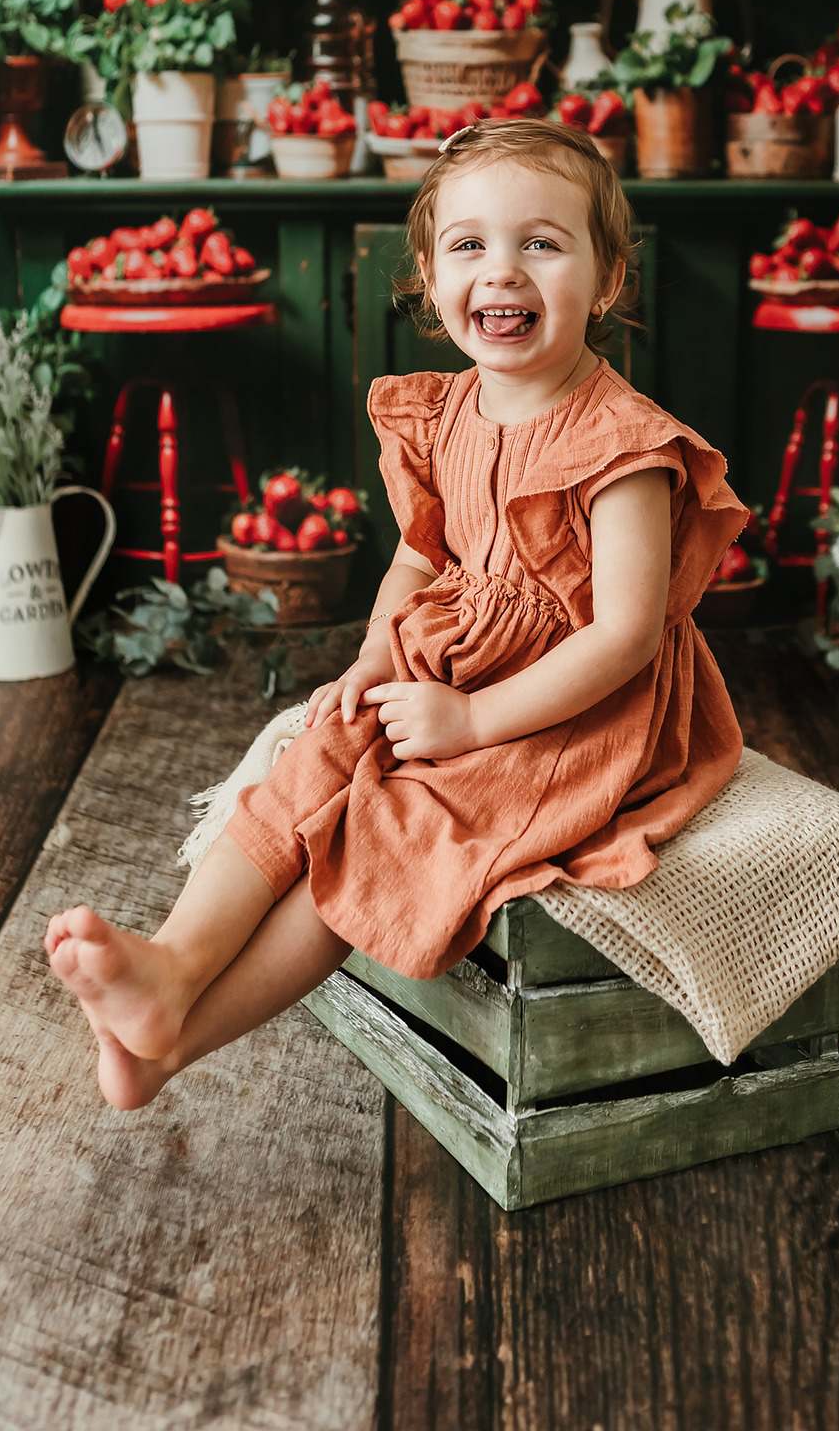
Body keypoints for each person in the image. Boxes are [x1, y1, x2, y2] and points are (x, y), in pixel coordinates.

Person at [45, 117, 750, 1109]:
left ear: (609, 279)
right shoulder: (449, 410)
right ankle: (170, 969)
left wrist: (472, 722)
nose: (502, 272)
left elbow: (626, 635)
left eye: (541, 243)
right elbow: (421, 555)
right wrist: (380, 648)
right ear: (428, 273)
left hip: (579, 710)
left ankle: (176, 1031)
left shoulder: (624, 447)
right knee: (319, 754)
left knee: (397, 822)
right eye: (470, 245)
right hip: (463, 657)